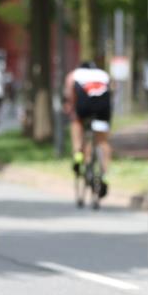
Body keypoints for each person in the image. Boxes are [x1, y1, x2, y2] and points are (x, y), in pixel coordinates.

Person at [63, 60, 112, 198]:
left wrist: (70, 108)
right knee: (102, 140)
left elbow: (69, 95)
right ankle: (104, 174)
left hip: (84, 105)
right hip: (103, 107)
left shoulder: (75, 74)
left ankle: (78, 152)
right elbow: (112, 90)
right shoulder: (104, 74)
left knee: (76, 121)